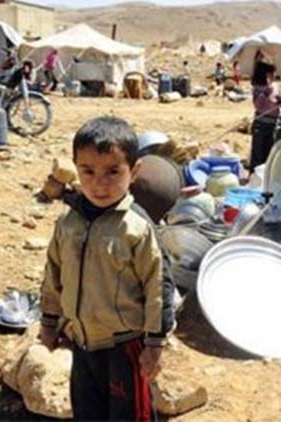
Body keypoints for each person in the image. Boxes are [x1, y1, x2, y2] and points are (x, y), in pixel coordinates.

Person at [39, 116, 175, 421]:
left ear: (134, 171)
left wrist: (154, 344)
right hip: (81, 342)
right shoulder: (68, 223)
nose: (99, 183)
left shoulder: (137, 229)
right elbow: (53, 276)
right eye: (87, 171)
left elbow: (159, 287)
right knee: (87, 410)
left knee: (129, 415)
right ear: (76, 168)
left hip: (125, 346)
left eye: (113, 171)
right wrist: (49, 322)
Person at [249, 61, 281, 170]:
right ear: (265, 74)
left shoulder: (276, 86)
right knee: (258, 154)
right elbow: (258, 106)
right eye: (271, 73)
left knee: (269, 154)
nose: (273, 76)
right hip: (261, 124)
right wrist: (265, 93)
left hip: (273, 124)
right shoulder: (258, 88)